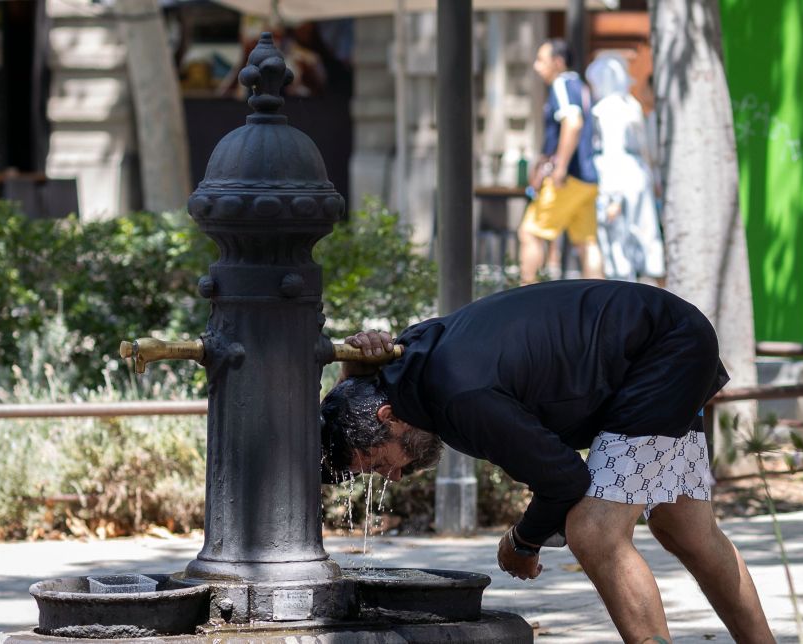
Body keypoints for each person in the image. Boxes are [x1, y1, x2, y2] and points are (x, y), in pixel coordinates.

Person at [321, 281, 774, 643]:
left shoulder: (461, 397)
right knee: (684, 528)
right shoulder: (408, 368)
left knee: (595, 532)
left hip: (660, 352)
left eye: (380, 464)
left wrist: (523, 540)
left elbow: (564, 478)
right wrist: (350, 375)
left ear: (387, 417)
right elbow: (362, 392)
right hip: (663, 338)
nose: (394, 476)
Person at [519, 39, 605, 285]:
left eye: (541, 60)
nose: (537, 67)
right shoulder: (582, 86)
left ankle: (525, 295)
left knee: (530, 233)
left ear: (558, 62)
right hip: (588, 178)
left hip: (567, 179)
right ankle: (600, 297)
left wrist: (560, 166)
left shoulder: (562, 84)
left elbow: (573, 122)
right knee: (587, 242)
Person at [585, 54, 666, 285]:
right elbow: (646, 150)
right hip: (640, 180)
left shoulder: (605, 110)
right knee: (645, 240)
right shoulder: (632, 106)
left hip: (616, 184)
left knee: (618, 248)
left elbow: (613, 154)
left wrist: (614, 198)